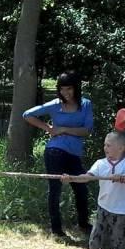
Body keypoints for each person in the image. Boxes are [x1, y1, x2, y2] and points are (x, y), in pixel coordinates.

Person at [23, 71, 93, 237]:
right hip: (55, 151)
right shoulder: (55, 104)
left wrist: (64, 129)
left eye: (69, 88)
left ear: (76, 88)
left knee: (81, 188)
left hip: (74, 154)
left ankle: (83, 224)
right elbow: (27, 115)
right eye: (62, 89)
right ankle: (57, 229)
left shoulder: (86, 104)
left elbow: (87, 130)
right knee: (55, 189)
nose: (66, 92)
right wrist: (48, 129)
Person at [62, 132, 125, 249]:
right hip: (103, 206)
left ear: (121, 148)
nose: (105, 148)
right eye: (104, 145)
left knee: (118, 237)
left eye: (108, 145)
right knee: (96, 233)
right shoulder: (100, 163)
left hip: (122, 210)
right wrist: (72, 178)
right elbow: (87, 177)